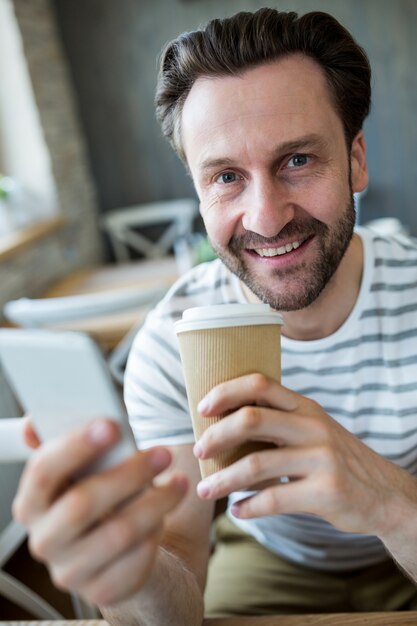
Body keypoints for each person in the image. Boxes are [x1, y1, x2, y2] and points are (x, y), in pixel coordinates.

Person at [13, 7, 417, 624]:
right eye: (227, 176)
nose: (266, 217)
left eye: (298, 161)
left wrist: (391, 504)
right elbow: (177, 586)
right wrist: (133, 572)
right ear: (200, 194)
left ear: (356, 159)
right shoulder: (171, 345)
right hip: (268, 557)